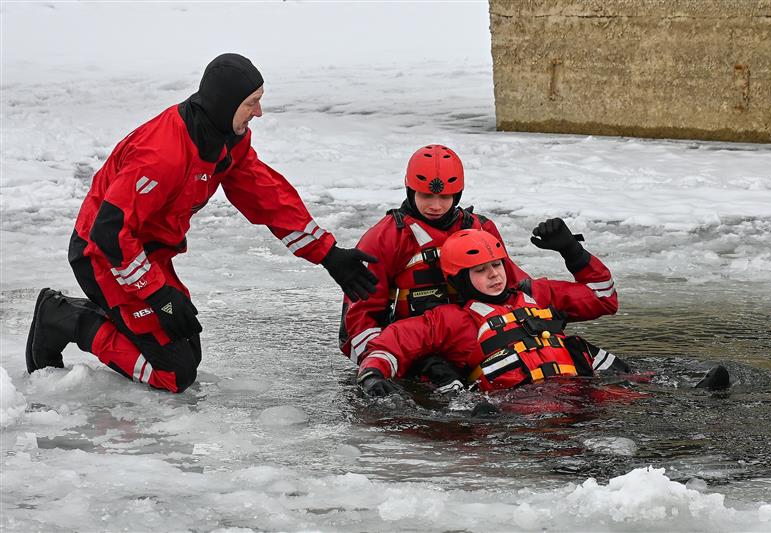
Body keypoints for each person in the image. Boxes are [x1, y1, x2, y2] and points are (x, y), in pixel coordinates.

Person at [25, 53, 378, 393]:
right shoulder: (162, 154)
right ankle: (66, 318)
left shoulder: (225, 139)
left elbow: (267, 196)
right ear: (225, 103)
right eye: (251, 102)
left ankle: (118, 315)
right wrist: (157, 294)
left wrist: (328, 254)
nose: (259, 112)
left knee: (186, 350)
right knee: (173, 374)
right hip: (103, 255)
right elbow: (109, 234)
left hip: (147, 254)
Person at [339, 144, 529, 389]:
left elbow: (516, 290)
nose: (436, 206)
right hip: (412, 350)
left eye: (445, 197)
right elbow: (356, 323)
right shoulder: (384, 238)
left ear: (458, 195)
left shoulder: (481, 229)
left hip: (477, 345)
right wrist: (381, 367)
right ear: (410, 190)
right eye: (426, 196)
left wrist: (571, 253)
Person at [356, 224, 628, 396]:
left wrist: (572, 251)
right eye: (480, 270)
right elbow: (392, 345)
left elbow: (603, 297)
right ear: (460, 278)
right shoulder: (452, 320)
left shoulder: (538, 295)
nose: (494, 276)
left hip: (588, 393)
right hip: (523, 412)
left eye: (496, 266)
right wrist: (372, 374)